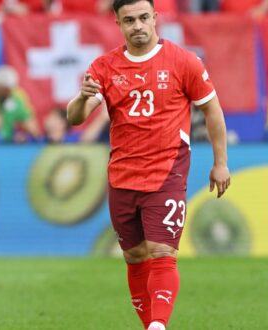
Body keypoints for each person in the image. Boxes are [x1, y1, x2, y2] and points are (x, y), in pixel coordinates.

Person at [67, 1, 230, 329]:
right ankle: (150, 325)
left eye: (143, 18)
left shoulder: (183, 61)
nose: (138, 25)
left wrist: (220, 163)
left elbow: (212, 110)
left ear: (156, 18)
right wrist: (83, 98)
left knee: (161, 250)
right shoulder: (104, 67)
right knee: (135, 256)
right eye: (129, 20)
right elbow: (75, 119)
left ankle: (158, 325)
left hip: (167, 171)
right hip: (122, 175)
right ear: (118, 23)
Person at [0, 65, 41, 143]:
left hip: (6, 145)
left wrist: (28, 133)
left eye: (9, 89)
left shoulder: (17, 97)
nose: (7, 93)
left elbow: (31, 124)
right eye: (4, 89)